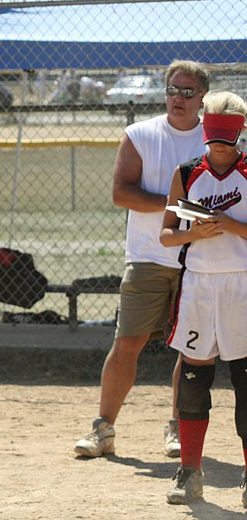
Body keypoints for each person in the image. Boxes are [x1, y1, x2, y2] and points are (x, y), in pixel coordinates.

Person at [74, 60, 209, 458]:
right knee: (127, 342)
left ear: (202, 97)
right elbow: (121, 193)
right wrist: (180, 207)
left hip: (198, 259)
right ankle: (103, 428)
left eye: (188, 92)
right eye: (173, 90)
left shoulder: (214, 140)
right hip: (148, 256)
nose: (178, 98)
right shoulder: (142, 134)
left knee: (192, 348)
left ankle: (177, 428)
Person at [159, 91, 247, 505]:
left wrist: (230, 224)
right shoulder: (188, 172)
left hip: (241, 284)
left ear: (240, 133)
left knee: (245, 382)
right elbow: (166, 234)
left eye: (226, 138)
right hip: (199, 285)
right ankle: (190, 472)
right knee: (194, 380)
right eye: (213, 137)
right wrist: (193, 233)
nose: (218, 147)